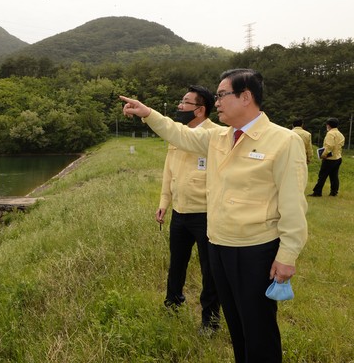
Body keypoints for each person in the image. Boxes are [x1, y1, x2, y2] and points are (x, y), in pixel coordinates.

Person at [120, 68, 308, 363]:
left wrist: (288, 254)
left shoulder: (283, 141)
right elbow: (178, 133)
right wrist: (148, 113)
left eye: (222, 95)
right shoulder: (217, 137)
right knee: (235, 323)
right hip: (218, 243)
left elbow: (294, 203)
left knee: (258, 327)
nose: (216, 101)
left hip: (255, 248)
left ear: (246, 97)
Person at [157, 85, 220, 332]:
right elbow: (168, 171)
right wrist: (164, 203)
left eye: (185, 103)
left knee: (210, 269)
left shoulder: (217, 135)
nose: (179, 107)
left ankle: (210, 320)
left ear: (200, 110)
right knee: (177, 262)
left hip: (206, 214)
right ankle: (173, 302)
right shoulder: (178, 134)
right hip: (180, 213)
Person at [309, 117, 345, 197]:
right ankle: (334, 192)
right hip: (338, 157)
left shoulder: (330, 134)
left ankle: (317, 192)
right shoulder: (340, 134)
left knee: (322, 175)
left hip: (330, 159)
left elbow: (329, 146)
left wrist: (323, 155)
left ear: (328, 125)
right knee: (334, 176)